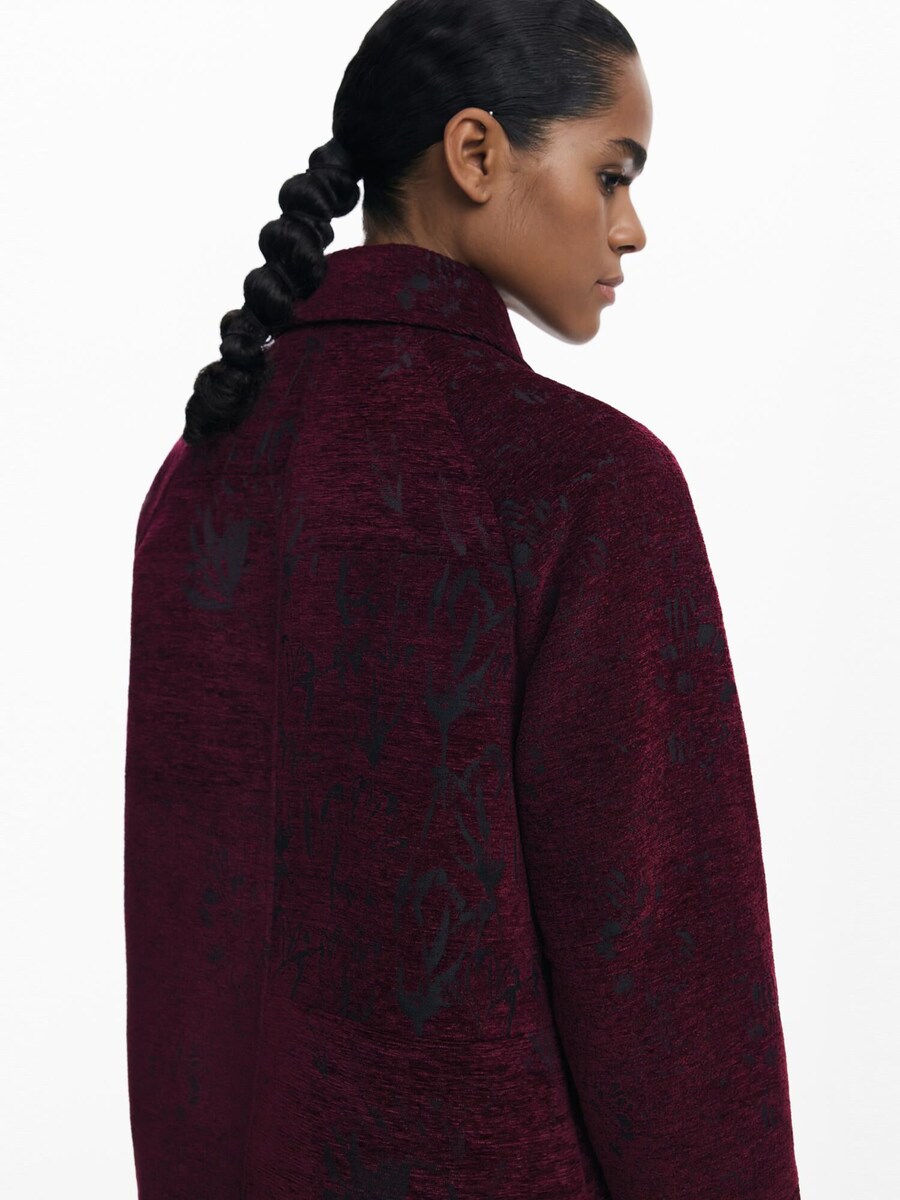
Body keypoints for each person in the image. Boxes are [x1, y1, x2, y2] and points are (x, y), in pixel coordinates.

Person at [124, 0, 802, 1196]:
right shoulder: (583, 482)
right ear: (477, 153)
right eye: (613, 173)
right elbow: (666, 978)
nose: (631, 228)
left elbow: (186, 951)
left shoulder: (200, 473)